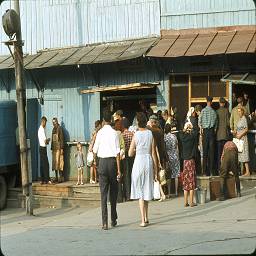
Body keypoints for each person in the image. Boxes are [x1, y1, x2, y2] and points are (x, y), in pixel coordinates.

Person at [93, 110, 121, 230]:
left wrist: (96, 163)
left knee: (103, 194)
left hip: (102, 163)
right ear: (111, 119)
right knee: (113, 193)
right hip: (112, 164)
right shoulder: (115, 133)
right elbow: (117, 153)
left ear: (103, 120)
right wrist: (119, 170)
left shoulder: (99, 133)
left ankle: (104, 222)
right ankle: (113, 218)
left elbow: (94, 150)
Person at [129, 112, 158, 227]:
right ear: (145, 122)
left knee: (140, 191)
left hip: (139, 161)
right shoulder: (150, 134)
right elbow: (153, 152)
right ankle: (146, 217)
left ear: (137, 122)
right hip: (148, 161)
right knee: (146, 188)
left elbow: (130, 153)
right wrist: (156, 169)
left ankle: (142, 219)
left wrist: (136, 150)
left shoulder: (136, 135)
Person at [148, 114, 166, 201]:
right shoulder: (160, 130)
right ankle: (162, 193)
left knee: (155, 175)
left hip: (153, 154)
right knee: (158, 174)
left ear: (152, 122)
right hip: (160, 153)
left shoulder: (151, 131)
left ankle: (158, 194)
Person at [179, 122, 197, 207]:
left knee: (186, 182)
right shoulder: (192, 137)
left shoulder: (183, 137)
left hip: (185, 161)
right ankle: (191, 202)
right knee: (192, 181)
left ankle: (185, 202)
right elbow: (195, 133)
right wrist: (190, 129)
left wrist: (185, 129)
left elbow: (181, 134)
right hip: (191, 161)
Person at [199, 96, 217, 176]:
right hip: (212, 132)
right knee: (212, 152)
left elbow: (199, 122)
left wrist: (202, 128)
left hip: (205, 132)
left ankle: (204, 172)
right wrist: (214, 130)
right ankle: (212, 171)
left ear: (206, 102)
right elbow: (216, 124)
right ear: (211, 102)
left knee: (205, 152)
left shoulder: (203, 111)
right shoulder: (214, 112)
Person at [164, 123, 180, 197]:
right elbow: (177, 146)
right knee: (176, 174)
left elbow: (165, 149)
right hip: (175, 156)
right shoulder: (174, 136)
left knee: (168, 175)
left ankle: (169, 192)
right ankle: (176, 192)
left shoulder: (165, 138)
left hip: (168, 157)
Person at [234, 107, 250, 176]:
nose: (239, 113)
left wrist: (240, 135)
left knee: (244, 154)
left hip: (243, 138)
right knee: (239, 155)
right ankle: (237, 170)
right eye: (238, 111)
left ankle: (247, 171)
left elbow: (246, 129)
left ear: (243, 112)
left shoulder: (244, 119)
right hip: (239, 139)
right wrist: (235, 132)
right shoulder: (240, 119)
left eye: (240, 111)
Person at [216, 97, 230, 173]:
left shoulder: (217, 111)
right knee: (225, 154)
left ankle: (219, 169)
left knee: (219, 153)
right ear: (224, 103)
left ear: (219, 103)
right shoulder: (226, 111)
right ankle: (225, 169)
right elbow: (228, 123)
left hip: (218, 136)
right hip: (225, 135)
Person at [122, 117, 134, 201]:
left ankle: (127, 195)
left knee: (126, 175)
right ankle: (132, 194)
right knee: (131, 174)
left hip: (125, 156)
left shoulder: (122, 135)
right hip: (132, 155)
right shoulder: (132, 134)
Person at [38, 116, 52, 185]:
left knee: (42, 164)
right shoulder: (42, 129)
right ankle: (47, 179)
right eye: (45, 122)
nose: (45, 124)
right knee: (46, 164)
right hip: (43, 148)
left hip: (41, 147)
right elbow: (45, 141)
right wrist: (49, 139)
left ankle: (42, 179)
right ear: (43, 121)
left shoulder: (40, 129)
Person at [51, 118, 65, 183]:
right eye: (53, 122)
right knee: (55, 163)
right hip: (54, 149)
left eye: (55, 122)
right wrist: (51, 148)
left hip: (59, 148)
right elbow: (52, 140)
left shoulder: (60, 128)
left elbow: (62, 139)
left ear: (57, 122)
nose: (54, 123)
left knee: (60, 162)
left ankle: (61, 177)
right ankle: (56, 177)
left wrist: (62, 148)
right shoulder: (53, 129)